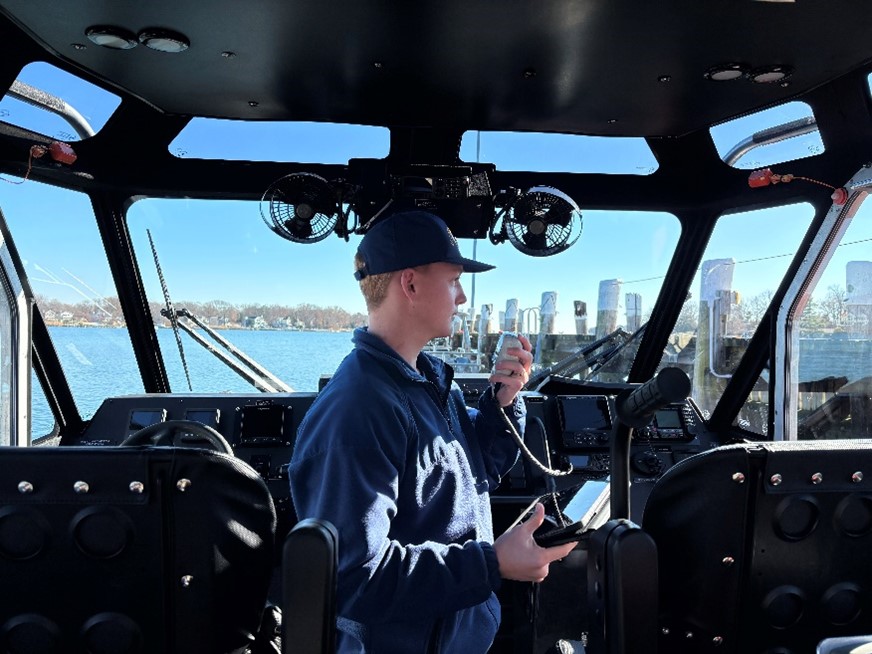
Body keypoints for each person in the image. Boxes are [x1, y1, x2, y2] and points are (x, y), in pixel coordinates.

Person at [288, 210, 576, 653]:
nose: (462, 297)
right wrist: (493, 563)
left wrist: (503, 402)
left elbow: (479, 468)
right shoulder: (359, 409)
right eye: (454, 280)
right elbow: (357, 578)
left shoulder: (427, 381)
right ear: (411, 284)